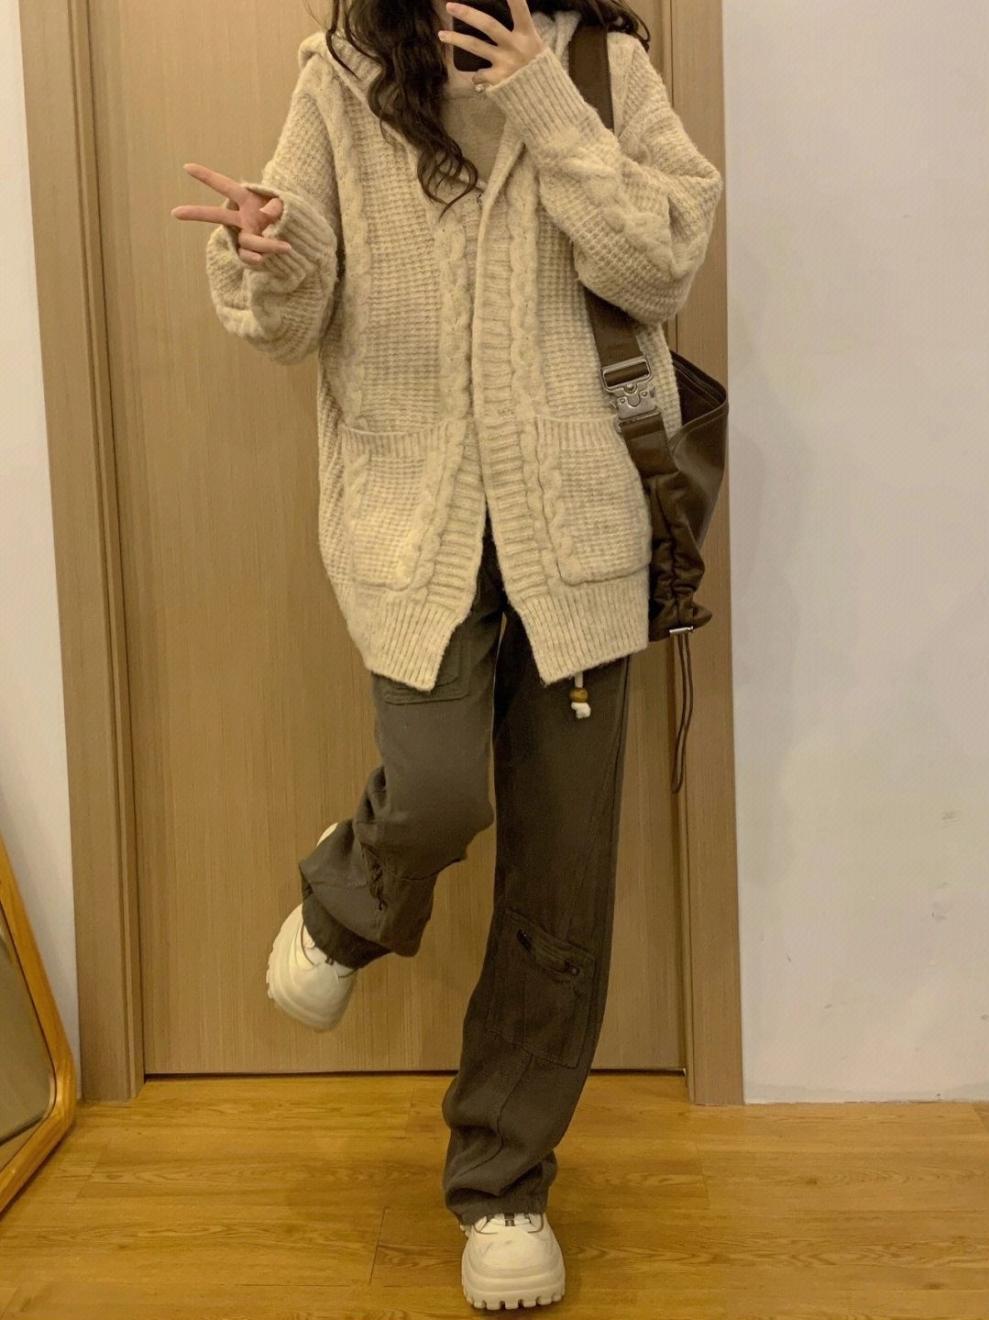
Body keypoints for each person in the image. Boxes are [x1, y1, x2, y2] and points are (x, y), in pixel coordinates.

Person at [172, 0, 722, 1307]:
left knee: (562, 879)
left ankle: (503, 1183)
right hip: (412, 528)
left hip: (580, 532)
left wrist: (545, 101)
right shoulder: (342, 78)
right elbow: (292, 313)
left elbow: (661, 266)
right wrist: (266, 253)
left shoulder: (605, 65)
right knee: (431, 792)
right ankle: (350, 899)